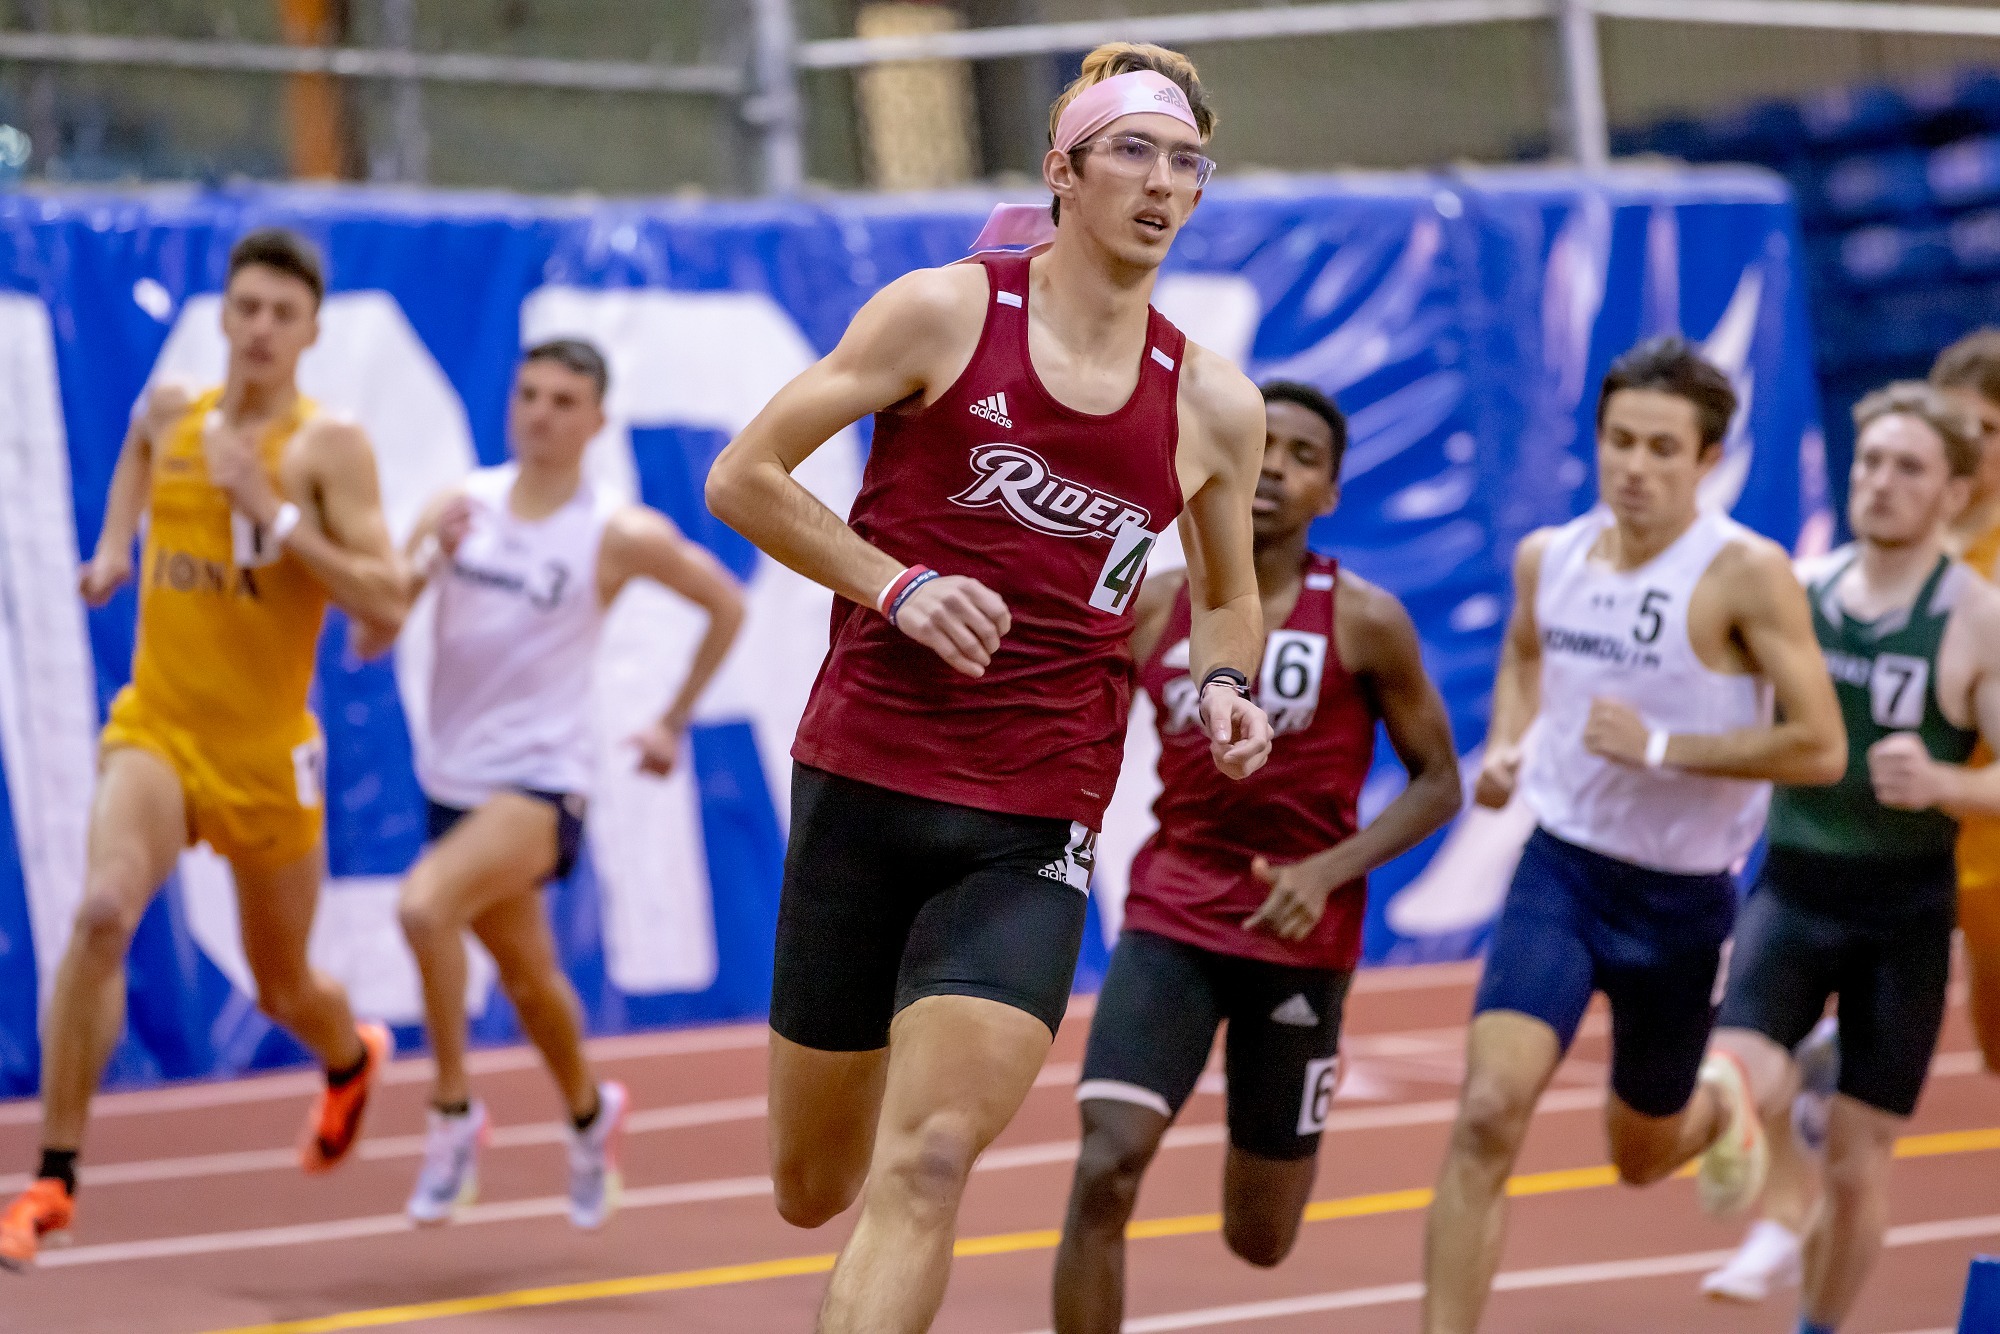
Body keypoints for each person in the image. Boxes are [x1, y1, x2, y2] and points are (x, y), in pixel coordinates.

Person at [705, 41, 1272, 1334]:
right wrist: (895, 584)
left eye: (1188, 162)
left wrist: (1227, 682)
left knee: (929, 1160)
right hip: (864, 777)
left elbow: (1226, 595)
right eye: (1133, 151)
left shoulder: (1212, 404)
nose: (1162, 181)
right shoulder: (944, 314)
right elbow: (743, 477)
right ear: (1061, 169)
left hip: (1033, 812)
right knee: (811, 1183)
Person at [1, 229, 412, 1270]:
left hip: (267, 759)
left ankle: (347, 1056)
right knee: (101, 913)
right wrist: (113, 546)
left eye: (283, 313)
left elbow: (387, 599)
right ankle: (52, 1178)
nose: (261, 328)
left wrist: (272, 511)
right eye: (247, 308)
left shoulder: (328, 447)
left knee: (284, 987)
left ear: (311, 331)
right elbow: (139, 448)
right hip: (158, 729)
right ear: (223, 316)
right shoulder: (174, 411)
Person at [1420, 335, 1847, 1334]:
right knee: (1486, 1113)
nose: (1635, 467)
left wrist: (1662, 746)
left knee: (1642, 1156)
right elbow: (1525, 654)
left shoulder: (1745, 574)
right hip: (1561, 873)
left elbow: (1821, 746)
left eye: (1662, 448)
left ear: (1707, 459)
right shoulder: (1550, 556)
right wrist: (1509, 743)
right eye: (1619, 441)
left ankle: (1727, 1099)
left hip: (1680, 898)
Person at [1050, 381, 1462, 1333]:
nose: (1274, 467)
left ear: (1331, 494)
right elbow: (1071, 722)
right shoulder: (1155, 601)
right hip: (1173, 910)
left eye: (1303, 456)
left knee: (1261, 1237)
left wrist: (1327, 871)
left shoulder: (1364, 619)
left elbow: (1439, 781)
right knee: (1106, 1163)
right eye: (1263, 444)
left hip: (1300, 934)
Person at [388, 339, 745, 1229]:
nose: (541, 413)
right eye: (530, 394)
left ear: (597, 421)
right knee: (530, 981)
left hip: (543, 784)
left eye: (563, 401)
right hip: (452, 782)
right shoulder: (459, 505)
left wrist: (671, 720)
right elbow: (373, 630)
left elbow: (726, 603)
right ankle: (590, 1113)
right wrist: (424, 561)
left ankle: (451, 1112)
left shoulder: (615, 532)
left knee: (424, 908)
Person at [1702, 384, 2000, 1334]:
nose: (1879, 482)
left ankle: (1818, 1327)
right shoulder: (1799, 589)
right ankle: (1759, 1144)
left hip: (1904, 912)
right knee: (1732, 1071)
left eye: (1908, 467)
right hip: (1795, 884)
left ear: (1955, 492)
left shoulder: (1976, 617)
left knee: (1861, 1160)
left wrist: (1948, 782)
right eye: (1869, 460)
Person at [1930, 329, 2000, 1078]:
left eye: (1990, 428)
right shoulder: (1903, 548)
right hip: (1938, 843)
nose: (1971, 446)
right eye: (1956, 425)